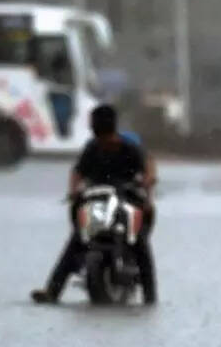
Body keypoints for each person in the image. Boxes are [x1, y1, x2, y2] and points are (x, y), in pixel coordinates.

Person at [30, 104, 158, 305]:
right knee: (77, 240)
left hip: (126, 199)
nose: (104, 143)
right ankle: (52, 291)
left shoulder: (130, 149)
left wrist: (148, 191)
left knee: (140, 242)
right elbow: (77, 172)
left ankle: (150, 296)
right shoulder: (92, 148)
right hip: (97, 200)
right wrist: (73, 192)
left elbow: (148, 168)